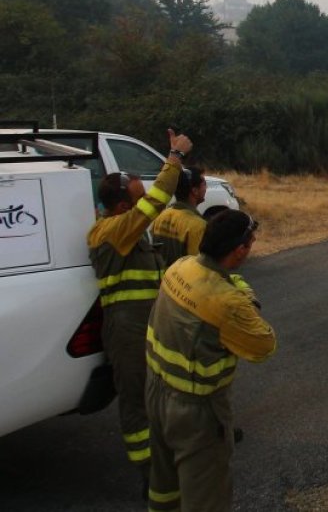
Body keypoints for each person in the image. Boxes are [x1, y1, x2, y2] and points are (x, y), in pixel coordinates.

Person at [144, 210, 276, 511]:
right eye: (251, 241)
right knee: (206, 496)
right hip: (196, 413)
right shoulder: (227, 301)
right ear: (240, 249)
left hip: (155, 392)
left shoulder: (180, 267)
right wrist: (246, 295)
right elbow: (264, 345)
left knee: (164, 488)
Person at [87, 128, 192, 491]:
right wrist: (174, 156)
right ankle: (151, 478)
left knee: (159, 394)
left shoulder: (125, 230)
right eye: (138, 199)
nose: (146, 202)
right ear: (122, 207)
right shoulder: (110, 231)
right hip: (126, 330)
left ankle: (164, 463)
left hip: (147, 323)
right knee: (136, 403)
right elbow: (160, 198)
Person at [150, 166, 207, 267]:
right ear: (195, 191)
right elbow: (198, 266)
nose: (206, 188)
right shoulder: (198, 225)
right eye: (204, 184)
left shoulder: (161, 216)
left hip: (162, 280)